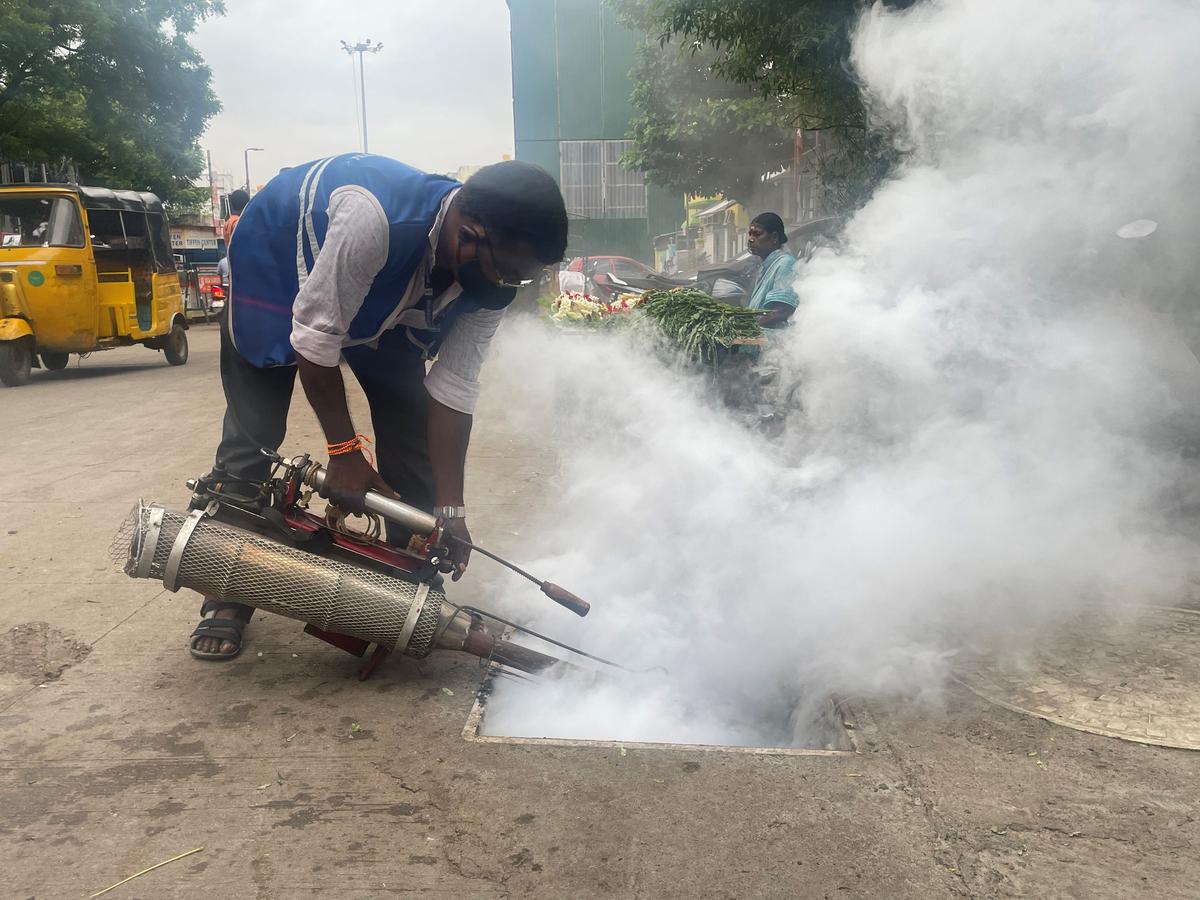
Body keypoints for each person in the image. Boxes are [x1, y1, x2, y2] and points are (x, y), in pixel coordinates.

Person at [189, 154, 568, 659]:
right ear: (469, 233)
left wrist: (450, 511)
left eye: (518, 279)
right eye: (505, 272)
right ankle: (225, 588)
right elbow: (315, 340)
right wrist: (344, 453)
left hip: (384, 298)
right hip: (276, 268)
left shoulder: (488, 281)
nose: (505, 287)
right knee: (254, 435)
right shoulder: (374, 219)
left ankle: (404, 583)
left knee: (411, 430)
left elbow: (454, 390)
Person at [745, 212, 798, 329]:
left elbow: (782, 311)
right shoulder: (767, 265)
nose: (750, 239)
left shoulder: (785, 263)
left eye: (757, 234)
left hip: (776, 339)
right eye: (750, 234)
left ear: (774, 237)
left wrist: (750, 328)